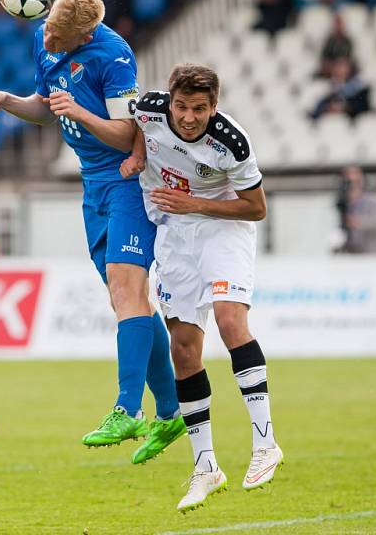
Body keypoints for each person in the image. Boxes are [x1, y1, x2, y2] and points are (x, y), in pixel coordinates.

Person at [0, 0, 184, 464]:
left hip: (127, 181)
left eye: (58, 37)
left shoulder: (113, 57)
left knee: (127, 288)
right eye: (47, 29)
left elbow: (128, 134)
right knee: (127, 299)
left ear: (85, 35)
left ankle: (127, 408)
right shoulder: (44, 37)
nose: (47, 40)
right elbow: (46, 109)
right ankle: (171, 413)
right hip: (92, 185)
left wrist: (81, 112)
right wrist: (8, 100)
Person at [120, 64, 283, 512]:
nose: (188, 117)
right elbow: (139, 124)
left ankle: (266, 444)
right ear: (169, 100)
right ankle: (206, 466)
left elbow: (256, 208)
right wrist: (137, 156)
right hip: (173, 232)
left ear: (214, 107)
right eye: (181, 106)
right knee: (185, 351)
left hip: (222, 227)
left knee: (231, 321)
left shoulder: (232, 141)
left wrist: (195, 202)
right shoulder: (151, 108)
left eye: (199, 109)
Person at [335, 165, 376, 253]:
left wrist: (356, 222)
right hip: (355, 254)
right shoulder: (344, 203)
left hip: (372, 254)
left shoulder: (371, 200)